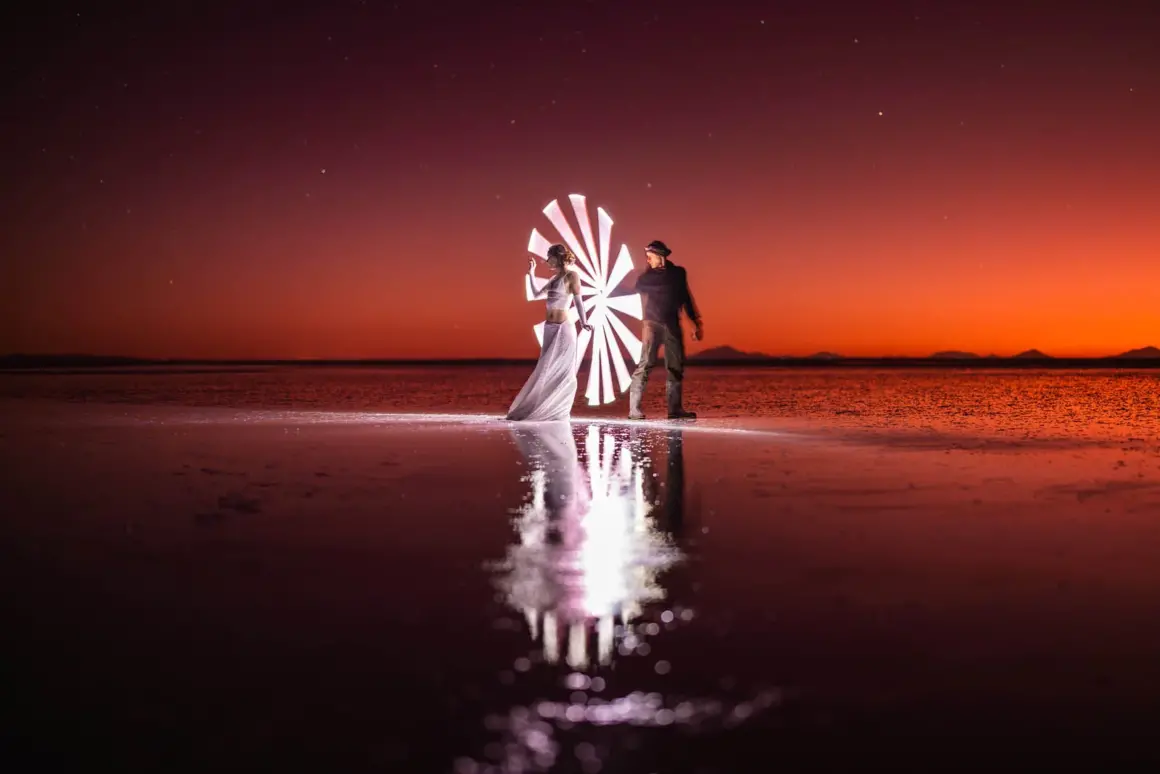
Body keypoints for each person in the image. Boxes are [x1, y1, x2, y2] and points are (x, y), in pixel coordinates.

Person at [506, 244, 593, 422]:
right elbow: (537, 294)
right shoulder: (554, 279)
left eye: (549, 257)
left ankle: (556, 409)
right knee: (544, 367)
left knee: (562, 369)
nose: (547, 261)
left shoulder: (572, 276)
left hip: (564, 328)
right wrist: (531, 273)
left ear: (558, 257)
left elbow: (578, 301)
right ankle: (537, 406)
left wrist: (583, 322)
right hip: (549, 328)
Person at [627, 240, 703, 420]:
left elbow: (685, 297)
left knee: (675, 367)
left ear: (660, 257)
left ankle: (674, 410)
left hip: (672, 324)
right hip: (651, 324)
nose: (648, 261)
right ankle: (634, 410)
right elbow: (633, 290)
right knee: (645, 364)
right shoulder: (645, 278)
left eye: (650, 257)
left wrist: (696, 322)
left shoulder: (678, 273)